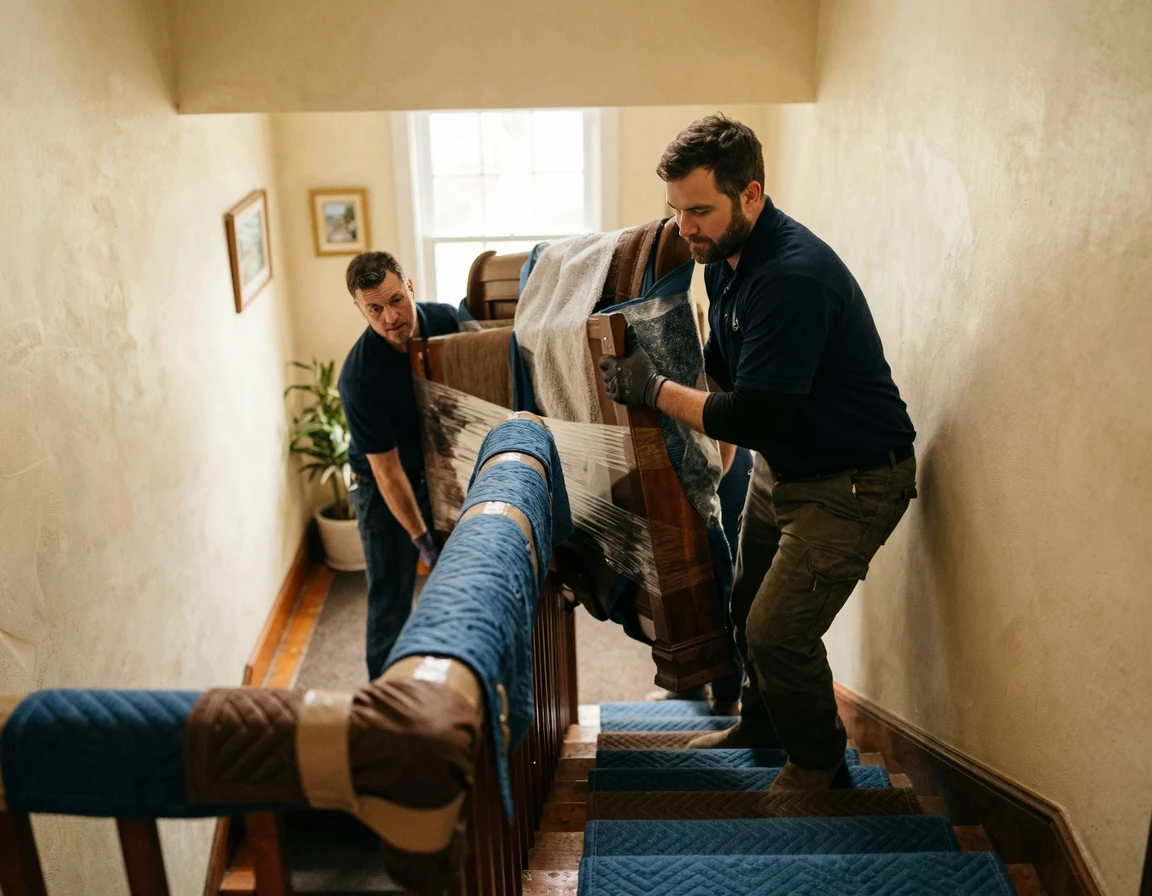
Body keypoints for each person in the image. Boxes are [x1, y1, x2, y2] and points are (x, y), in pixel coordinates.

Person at [599, 115, 917, 790]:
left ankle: (819, 767)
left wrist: (654, 391)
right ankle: (763, 727)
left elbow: (757, 413)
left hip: (855, 481)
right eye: (677, 211)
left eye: (700, 211)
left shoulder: (792, 277)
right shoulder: (722, 259)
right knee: (745, 607)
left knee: (776, 632)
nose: (685, 228)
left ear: (752, 195)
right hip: (788, 465)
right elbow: (722, 369)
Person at [338, 251, 459, 680]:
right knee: (390, 599)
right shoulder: (359, 377)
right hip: (381, 485)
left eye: (395, 300)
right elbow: (388, 473)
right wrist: (422, 540)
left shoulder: (447, 321)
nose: (390, 317)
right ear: (360, 310)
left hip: (439, 469)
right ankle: (383, 706)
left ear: (410, 287)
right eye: (374, 308)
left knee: (456, 585)